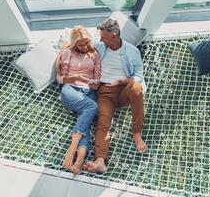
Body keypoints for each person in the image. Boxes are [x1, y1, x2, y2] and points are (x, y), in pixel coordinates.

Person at [85, 18, 148, 173]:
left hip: (123, 88)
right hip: (105, 91)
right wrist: (94, 81)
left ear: (114, 36)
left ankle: (136, 132)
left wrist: (123, 81)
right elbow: (80, 47)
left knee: (137, 88)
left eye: (104, 37)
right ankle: (100, 160)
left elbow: (139, 74)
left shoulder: (132, 51)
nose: (100, 39)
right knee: (103, 121)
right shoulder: (99, 47)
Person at [55, 25, 101, 174]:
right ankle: (72, 148)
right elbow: (60, 78)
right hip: (71, 89)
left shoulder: (95, 54)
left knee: (84, 123)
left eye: (86, 42)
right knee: (92, 107)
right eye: (80, 44)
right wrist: (76, 77)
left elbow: (97, 78)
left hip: (88, 92)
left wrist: (94, 83)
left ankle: (79, 162)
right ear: (75, 44)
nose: (84, 46)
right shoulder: (68, 52)